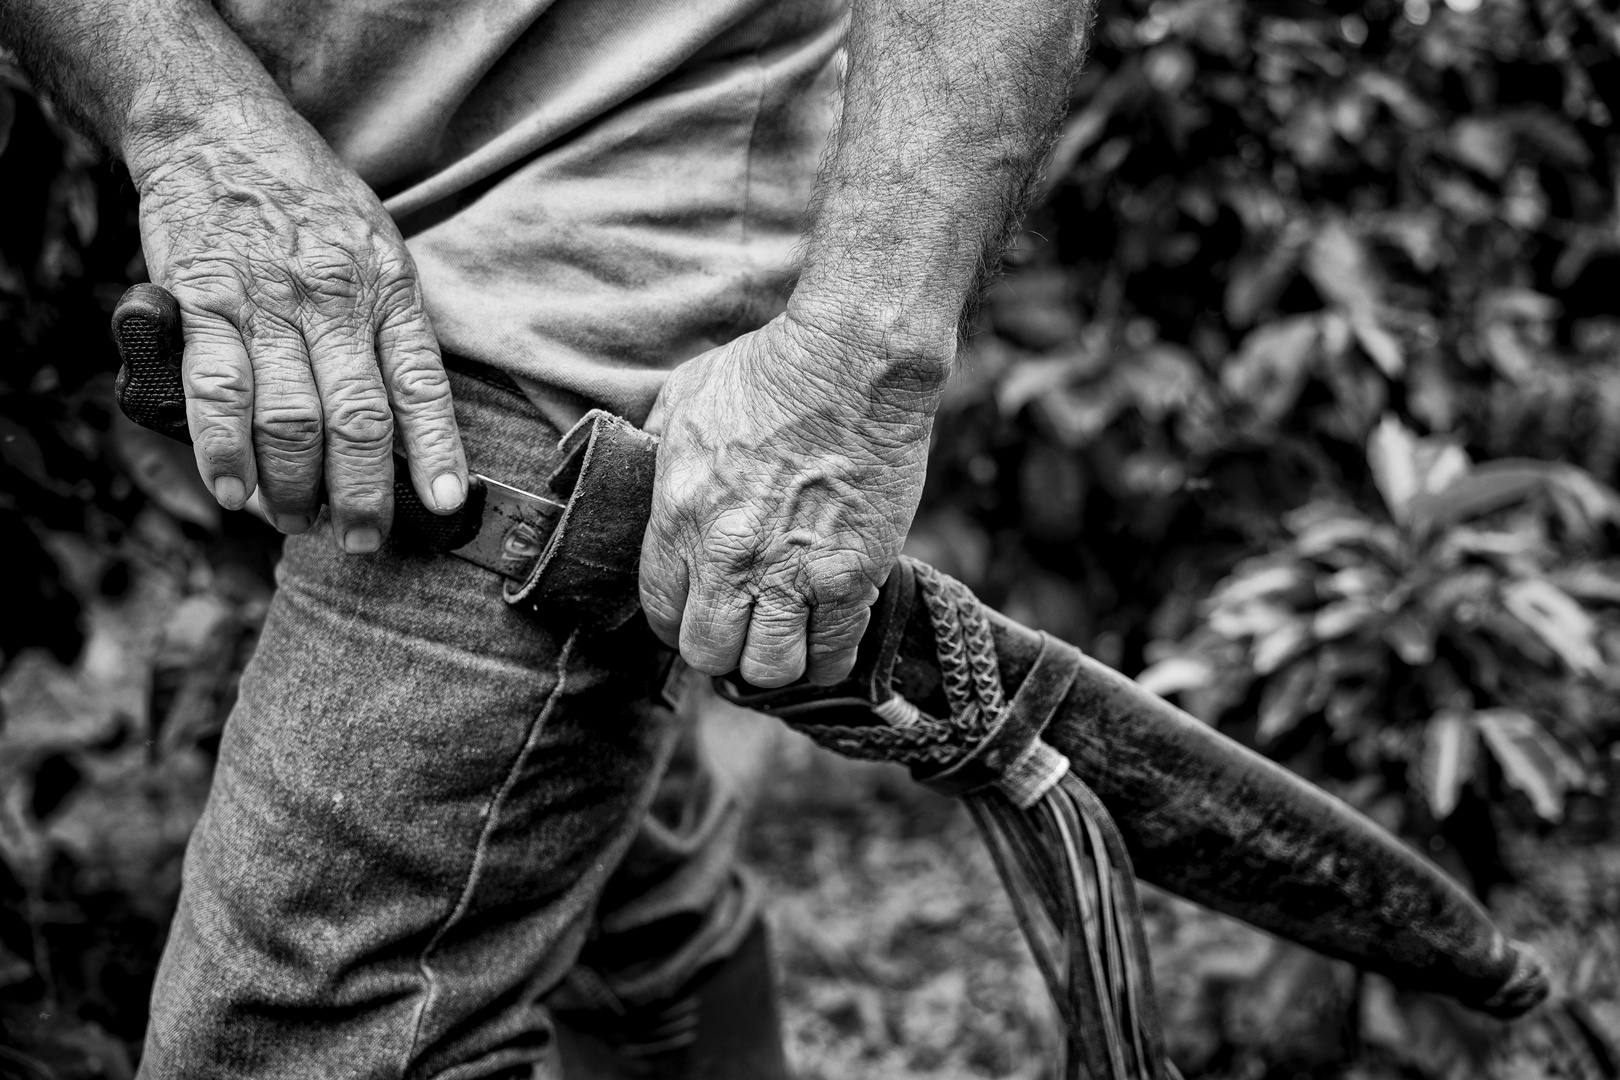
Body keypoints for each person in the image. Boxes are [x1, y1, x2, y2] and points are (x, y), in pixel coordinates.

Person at [0, 0, 1091, 1075]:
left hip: (571, 298)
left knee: (291, 1034)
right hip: (302, 238)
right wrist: (194, 122)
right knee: (621, 897)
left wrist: (860, 356)